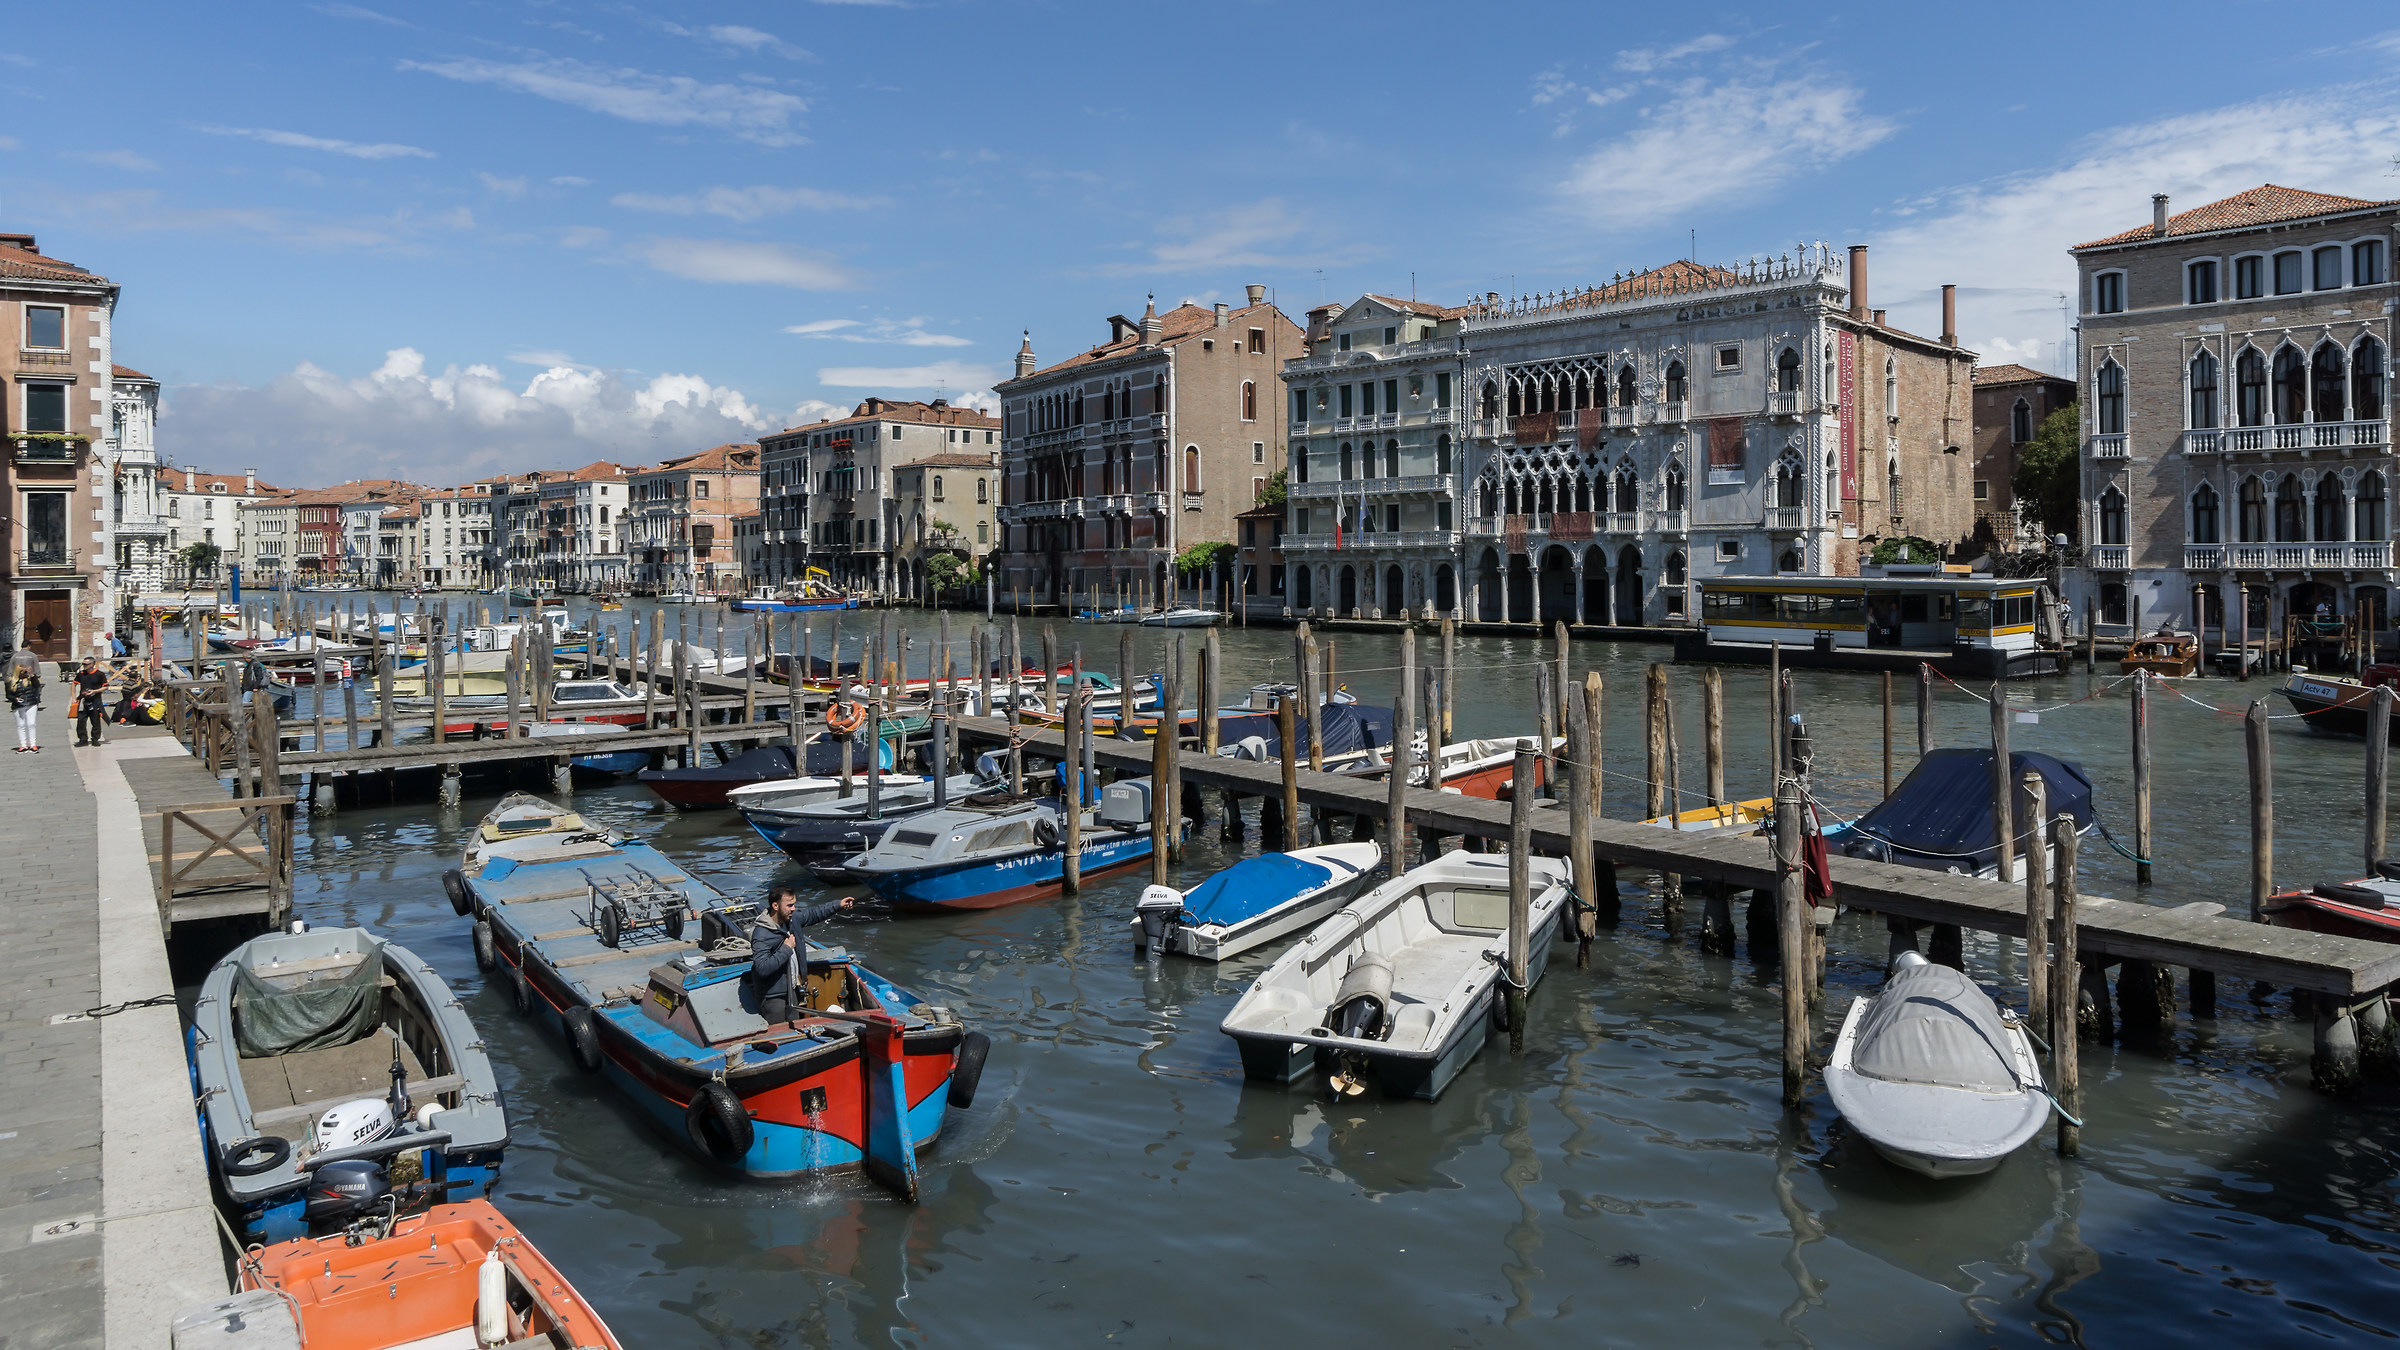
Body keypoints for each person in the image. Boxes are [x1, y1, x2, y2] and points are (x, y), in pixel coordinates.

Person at [747, 884, 853, 1024]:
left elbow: (814, 913)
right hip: (773, 997)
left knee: (796, 1028)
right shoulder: (761, 934)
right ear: (775, 906)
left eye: (794, 905)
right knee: (779, 1035)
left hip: (792, 990)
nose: (793, 909)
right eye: (789, 905)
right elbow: (762, 968)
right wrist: (786, 948)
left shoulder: (792, 919)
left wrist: (838, 905)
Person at [6, 650, 43, 753]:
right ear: (18, 672)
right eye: (23, 672)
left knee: (31, 724)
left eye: (25, 672)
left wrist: (32, 674)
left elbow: (37, 686)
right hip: (18, 705)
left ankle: (33, 744)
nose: (24, 674)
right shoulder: (11, 682)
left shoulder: (30, 679)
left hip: (31, 703)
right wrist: (15, 699)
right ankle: (23, 745)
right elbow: (8, 695)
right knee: (20, 725)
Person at [71, 656, 112, 747]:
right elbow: (74, 684)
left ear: (92, 664)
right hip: (83, 700)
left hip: (95, 701)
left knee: (95, 721)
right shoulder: (81, 674)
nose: (83, 666)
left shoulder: (99, 674)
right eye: (83, 664)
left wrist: (94, 691)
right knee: (81, 721)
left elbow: (105, 686)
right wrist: (74, 698)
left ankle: (95, 739)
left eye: (85, 664)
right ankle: (83, 739)